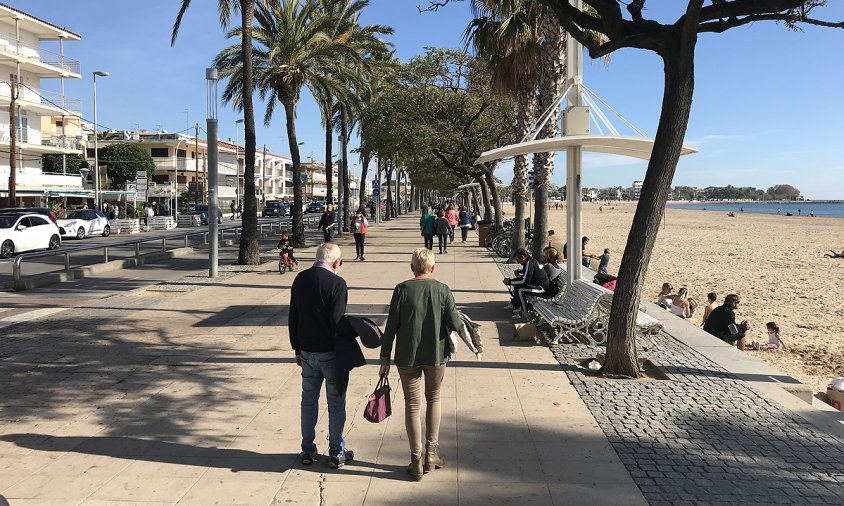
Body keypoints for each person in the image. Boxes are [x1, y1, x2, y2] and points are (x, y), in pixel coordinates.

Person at [379, 248, 461, 481]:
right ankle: (431, 454)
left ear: (412, 267)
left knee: (412, 405)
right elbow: (454, 322)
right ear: (433, 268)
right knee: (434, 398)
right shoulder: (442, 289)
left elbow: (391, 326)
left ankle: (415, 459)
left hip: (407, 356)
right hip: (435, 355)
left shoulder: (402, 289)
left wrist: (385, 357)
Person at [288, 243, 354, 468]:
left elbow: (293, 317)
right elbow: (338, 321)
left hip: (307, 351)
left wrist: (297, 348)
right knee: (335, 402)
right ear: (336, 262)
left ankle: (307, 449)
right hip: (331, 353)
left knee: (308, 401)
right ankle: (336, 451)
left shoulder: (300, 279)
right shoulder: (337, 283)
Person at [503, 247, 550, 318]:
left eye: (517, 259)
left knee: (520, 290)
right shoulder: (529, 261)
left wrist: (509, 281)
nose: (518, 262)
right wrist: (512, 280)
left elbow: (525, 281)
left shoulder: (529, 263)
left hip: (541, 288)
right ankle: (517, 305)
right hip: (536, 285)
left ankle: (525, 312)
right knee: (517, 285)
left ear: (522, 257)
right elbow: (526, 277)